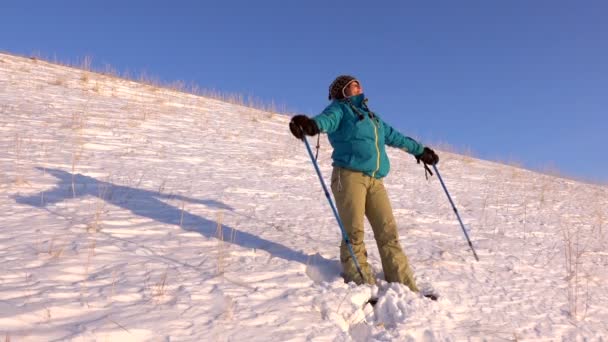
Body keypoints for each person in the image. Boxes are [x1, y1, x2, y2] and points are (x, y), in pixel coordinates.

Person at [289, 75, 439, 294]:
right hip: (349, 176)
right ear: (341, 91)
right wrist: (311, 125)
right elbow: (325, 120)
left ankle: (405, 285)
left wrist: (420, 151)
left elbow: (396, 137)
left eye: (358, 83)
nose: (358, 86)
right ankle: (361, 283)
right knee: (354, 232)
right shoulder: (339, 110)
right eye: (352, 84)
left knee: (388, 231)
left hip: (375, 180)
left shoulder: (373, 119)